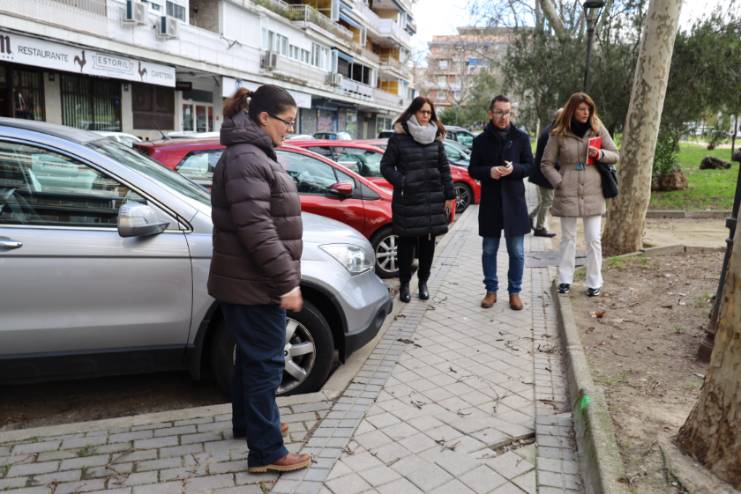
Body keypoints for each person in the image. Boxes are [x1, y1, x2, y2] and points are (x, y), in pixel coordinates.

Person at [208, 85, 311, 473]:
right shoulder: (247, 158)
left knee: (251, 361)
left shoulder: (249, 154)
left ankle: (248, 424)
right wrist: (287, 282)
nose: (290, 129)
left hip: (247, 282)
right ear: (264, 117)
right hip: (255, 284)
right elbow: (257, 230)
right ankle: (267, 452)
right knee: (265, 364)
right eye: (288, 122)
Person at [540, 92, 618, 297]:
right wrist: (559, 181)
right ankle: (565, 279)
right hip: (567, 189)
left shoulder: (597, 128)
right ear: (572, 110)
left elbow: (615, 154)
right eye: (582, 109)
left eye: (589, 109)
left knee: (593, 239)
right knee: (568, 238)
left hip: (593, 190)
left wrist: (600, 154)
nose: (586, 113)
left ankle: (594, 281)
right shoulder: (559, 132)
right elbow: (546, 163)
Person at [381, 96, 456, 303]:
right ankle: (405, 285)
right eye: (422, 112)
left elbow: (444, 169)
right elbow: (386, 167)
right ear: (413, 112)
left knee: (427, 246)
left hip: (433, 199)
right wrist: (403, 181)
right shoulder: (399, 138)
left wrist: (450, 195)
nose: (426, 116)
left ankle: (423, 283)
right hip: (408, 200)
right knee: (405, 246)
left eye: (429, 113)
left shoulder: (436, 139)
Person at [469, 95, 533, 311]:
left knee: (517, 252)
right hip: (491, 203)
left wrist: (514, 169)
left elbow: (530, 166)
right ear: (490, 113)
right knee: (489, 250)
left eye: (507, 112)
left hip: (515, 202)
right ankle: (491, 291)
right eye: (499, 112)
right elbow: (472, 169)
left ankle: (515, 292)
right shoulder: (480, 140)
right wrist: (489, 171)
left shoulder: (521, 138)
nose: (504, 117)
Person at [528, 112, 560, 238]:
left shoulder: (551, 129)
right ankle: (539, 228)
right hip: (544, 173)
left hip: (542, 172)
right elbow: (550, 157)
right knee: (547, 201)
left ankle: (529, 218)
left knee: (546, 200)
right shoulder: (551, 133)